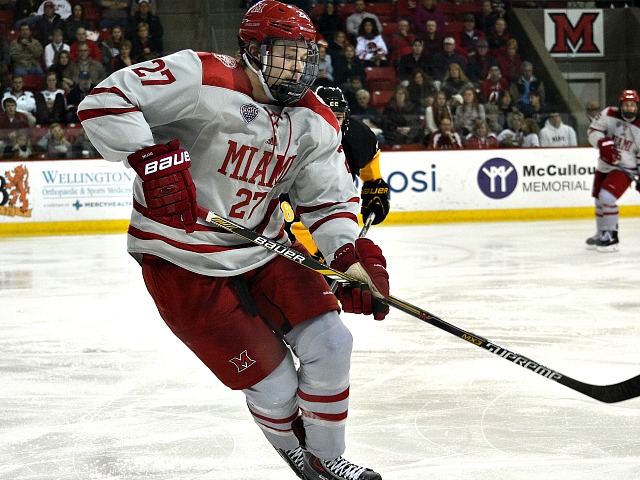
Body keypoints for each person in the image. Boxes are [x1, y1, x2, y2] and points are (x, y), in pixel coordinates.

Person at [77, 2, 389, 480]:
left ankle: (327, 459)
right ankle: (295, 452)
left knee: (332, 342)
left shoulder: (315, 120)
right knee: (275, 385)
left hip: (263, 247)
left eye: (306, 56)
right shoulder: (200, 76)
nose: (299, 67)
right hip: (179, 257)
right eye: (287, 54)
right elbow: (105, 100)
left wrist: (348, 257)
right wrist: (149, 158)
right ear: (253, 50)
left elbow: (327, 201)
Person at [283, 86, 390, 260]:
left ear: (346, 118)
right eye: (326, 116)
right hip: (296, 204)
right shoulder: (296, 132)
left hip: (335, 208)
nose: (331, 123)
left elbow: (372, 168)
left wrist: (375, 189)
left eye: (337, 117)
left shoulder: (360, 136)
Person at [585, 89, 640, 252]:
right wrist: (602, 142)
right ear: (620, 105)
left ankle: (612, 236)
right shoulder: (609, 113)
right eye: (626, 104)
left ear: (636, 106)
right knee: (598, 199)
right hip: (605, 164)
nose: (629, 108)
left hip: (625, 168)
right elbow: (593, 130)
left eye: (632, 105)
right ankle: (601, 233)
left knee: (607, 197)